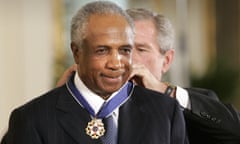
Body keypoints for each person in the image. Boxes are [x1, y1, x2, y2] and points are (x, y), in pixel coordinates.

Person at [1, 1, 188, 144]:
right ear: (77, 52)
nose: (116, 64)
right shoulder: (32, 119)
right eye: (102, 51)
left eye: (125, 50)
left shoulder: (165, 113)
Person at [57, 8, 240, 144]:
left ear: (167, 60)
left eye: (141, 49)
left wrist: (165, 91)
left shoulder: (185, 109)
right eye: (122, 47)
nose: (126, 58)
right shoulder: (79, 104)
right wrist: (60, 100)